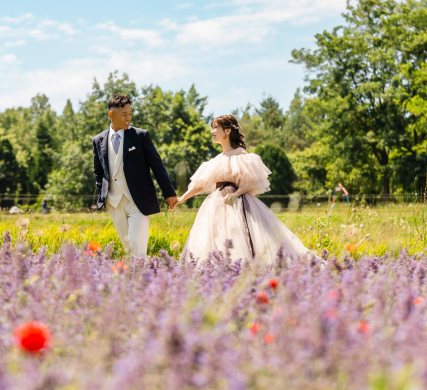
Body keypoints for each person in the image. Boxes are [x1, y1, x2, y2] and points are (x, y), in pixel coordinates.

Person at [176, 115, 319, 265]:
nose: (212, 131)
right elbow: (199, 184)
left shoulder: (241, 156)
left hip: (238, 205)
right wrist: (182, 199)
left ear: (227, 131)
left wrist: (236, 194)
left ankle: (242, 269)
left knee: (239, 238)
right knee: (215, 237)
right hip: (216, 205)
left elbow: (252, 181)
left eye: (215, 127)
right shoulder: (216, 160)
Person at [92, 94, 178, 257]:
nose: (128, 118)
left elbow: (157, 165)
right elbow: (99, 171)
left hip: (138, 201)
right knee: (129, 249)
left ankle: (141, 280)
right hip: (114, 202)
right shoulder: (98, 140)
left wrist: (169, 193)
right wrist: (102, 195)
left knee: (135, 245)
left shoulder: (140, 136)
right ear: (111, 114)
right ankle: (139, 279)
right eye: (124, 114)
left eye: (130, 114)